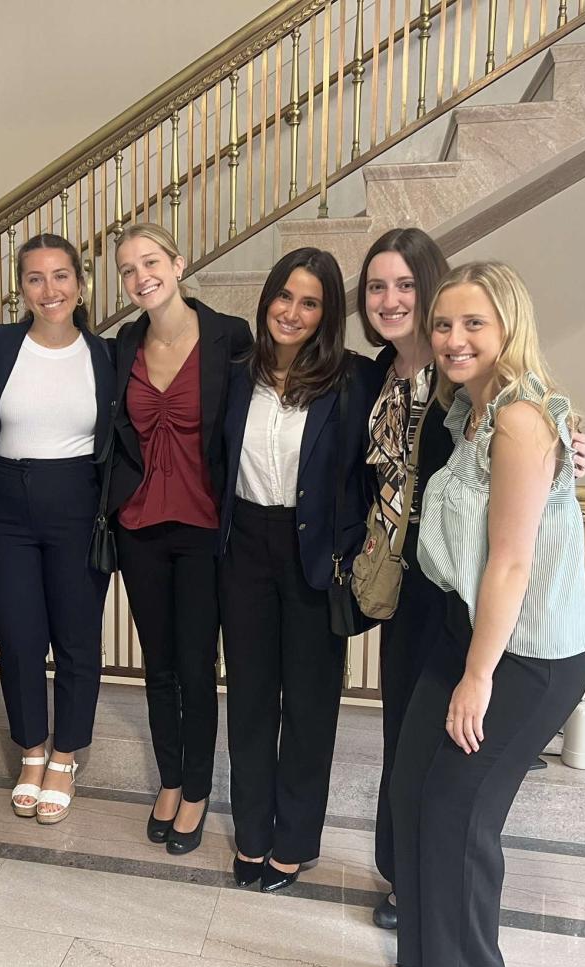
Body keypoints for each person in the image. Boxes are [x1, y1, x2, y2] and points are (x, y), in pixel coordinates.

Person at [354, 229, 585, 930]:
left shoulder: (515, 414)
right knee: (415, 792)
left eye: (472, 323)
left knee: (456, 814)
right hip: (449, 613)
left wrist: (478, 673)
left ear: (507, 326)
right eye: (445, 325)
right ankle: (423, 950)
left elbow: (514, 558)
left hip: (514, 643)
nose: (454, 337)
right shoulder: (462, 407)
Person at [218, 247, 375, 893]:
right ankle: (253, 832)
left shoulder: (355, 379)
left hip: (316, 558)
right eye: (284, 295)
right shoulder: (236, 373)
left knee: (309, 707)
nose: (292, 311)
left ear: (327, 312)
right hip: (245, 547)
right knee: (251, 700)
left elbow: (382, 458)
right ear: (267, 299)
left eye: (309, 301)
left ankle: (294, 840)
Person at [107, 224, 252, 854]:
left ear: (178, 262)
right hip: (139, 526)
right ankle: (169, 780)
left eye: (151, 261)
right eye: (127, 268)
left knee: (196, 666)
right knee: (157, 666)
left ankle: (196, 790)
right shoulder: (122, 345)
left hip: (201, 527)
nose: (141, 276)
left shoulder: (229, 336)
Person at [0, 233, 115, 824]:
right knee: (19, 636)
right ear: (21, 288)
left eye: (61, 276)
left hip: (76, 502)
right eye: (35, 278)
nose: (49, 289)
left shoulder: (107, 354)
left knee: (77, 639)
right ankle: (31, 747)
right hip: (4, 504)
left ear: (80, 283)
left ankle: (65, 753)